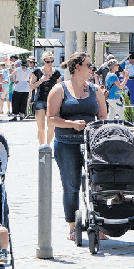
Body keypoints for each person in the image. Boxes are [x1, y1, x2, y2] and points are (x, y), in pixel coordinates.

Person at [47, 52, 107, 240]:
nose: (92, 69)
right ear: (78, 66)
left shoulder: (95, 90)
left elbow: (103, 117)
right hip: (66, 143)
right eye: (89, 65)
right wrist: (72, 124)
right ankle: (73, 226)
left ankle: (99, 224)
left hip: (92, 143)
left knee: (99, 184)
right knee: (70, 184)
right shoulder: (59, 89)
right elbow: (51, 118)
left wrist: (96, 127)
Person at [29, 51, 62, 145]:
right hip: (40, 100)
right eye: (48, 61)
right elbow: (31, 86)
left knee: (51, 126)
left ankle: (47, 145)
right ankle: (42, 146)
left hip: (53, 101)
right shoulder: (37, 72)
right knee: (41, 127)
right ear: (43, 61)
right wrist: (41, 80)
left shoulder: (56, 73)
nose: (50, 63)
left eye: (52, 61)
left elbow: (60, 87)